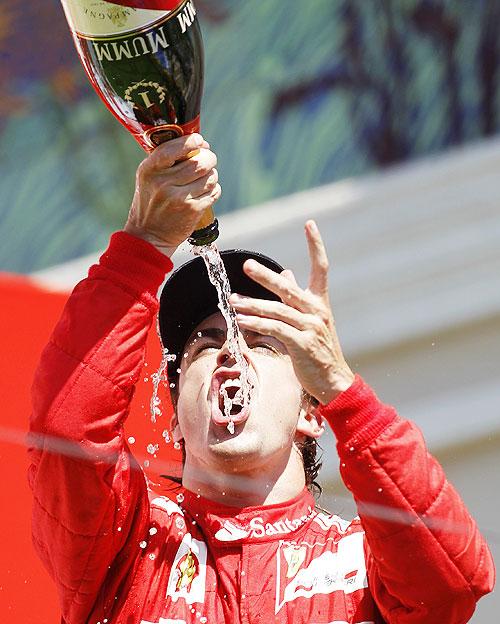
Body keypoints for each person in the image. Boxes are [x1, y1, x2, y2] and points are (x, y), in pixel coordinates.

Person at [29, 134, 495, 624]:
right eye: (207, 344)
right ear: (174, 422)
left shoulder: (367, 567)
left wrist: (344, 391)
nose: (232, 352)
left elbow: (454, 584)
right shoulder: (128, 547)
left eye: (263, 342)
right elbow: (68, 434)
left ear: (311, 413)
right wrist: (144, 245)